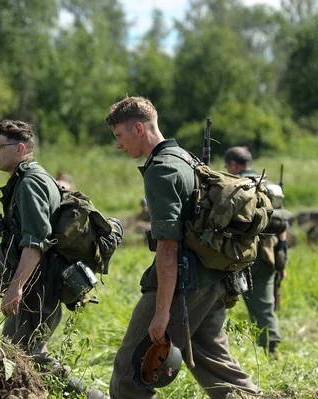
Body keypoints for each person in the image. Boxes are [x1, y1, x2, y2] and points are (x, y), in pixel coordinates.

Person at [105, 97, 260, 399]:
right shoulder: (186, 158)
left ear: (138, 128)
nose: (118, 145)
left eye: (119, 136)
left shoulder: (161, 170)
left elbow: (168, 249)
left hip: (184, 287)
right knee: (216, 366)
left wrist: (161, 313)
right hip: (215, 278)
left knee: (131, 372)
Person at [0, 120, 64, 363]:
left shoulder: (30, 183)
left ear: (20, 148)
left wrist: (16, 286)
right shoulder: (27, 179)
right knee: (18, 356)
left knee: (29, 359)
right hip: (37, 284)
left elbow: (35, 242)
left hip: (38, 287)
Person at [223, 146, 288, 354]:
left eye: (227, 166)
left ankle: (270, 348)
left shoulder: (233, 186)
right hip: (268, 253)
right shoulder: (270, 187)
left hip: (237, 253)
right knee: (264, 304)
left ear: (233, 165)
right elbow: (282, 226)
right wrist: (282, 259)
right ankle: (271, 347)